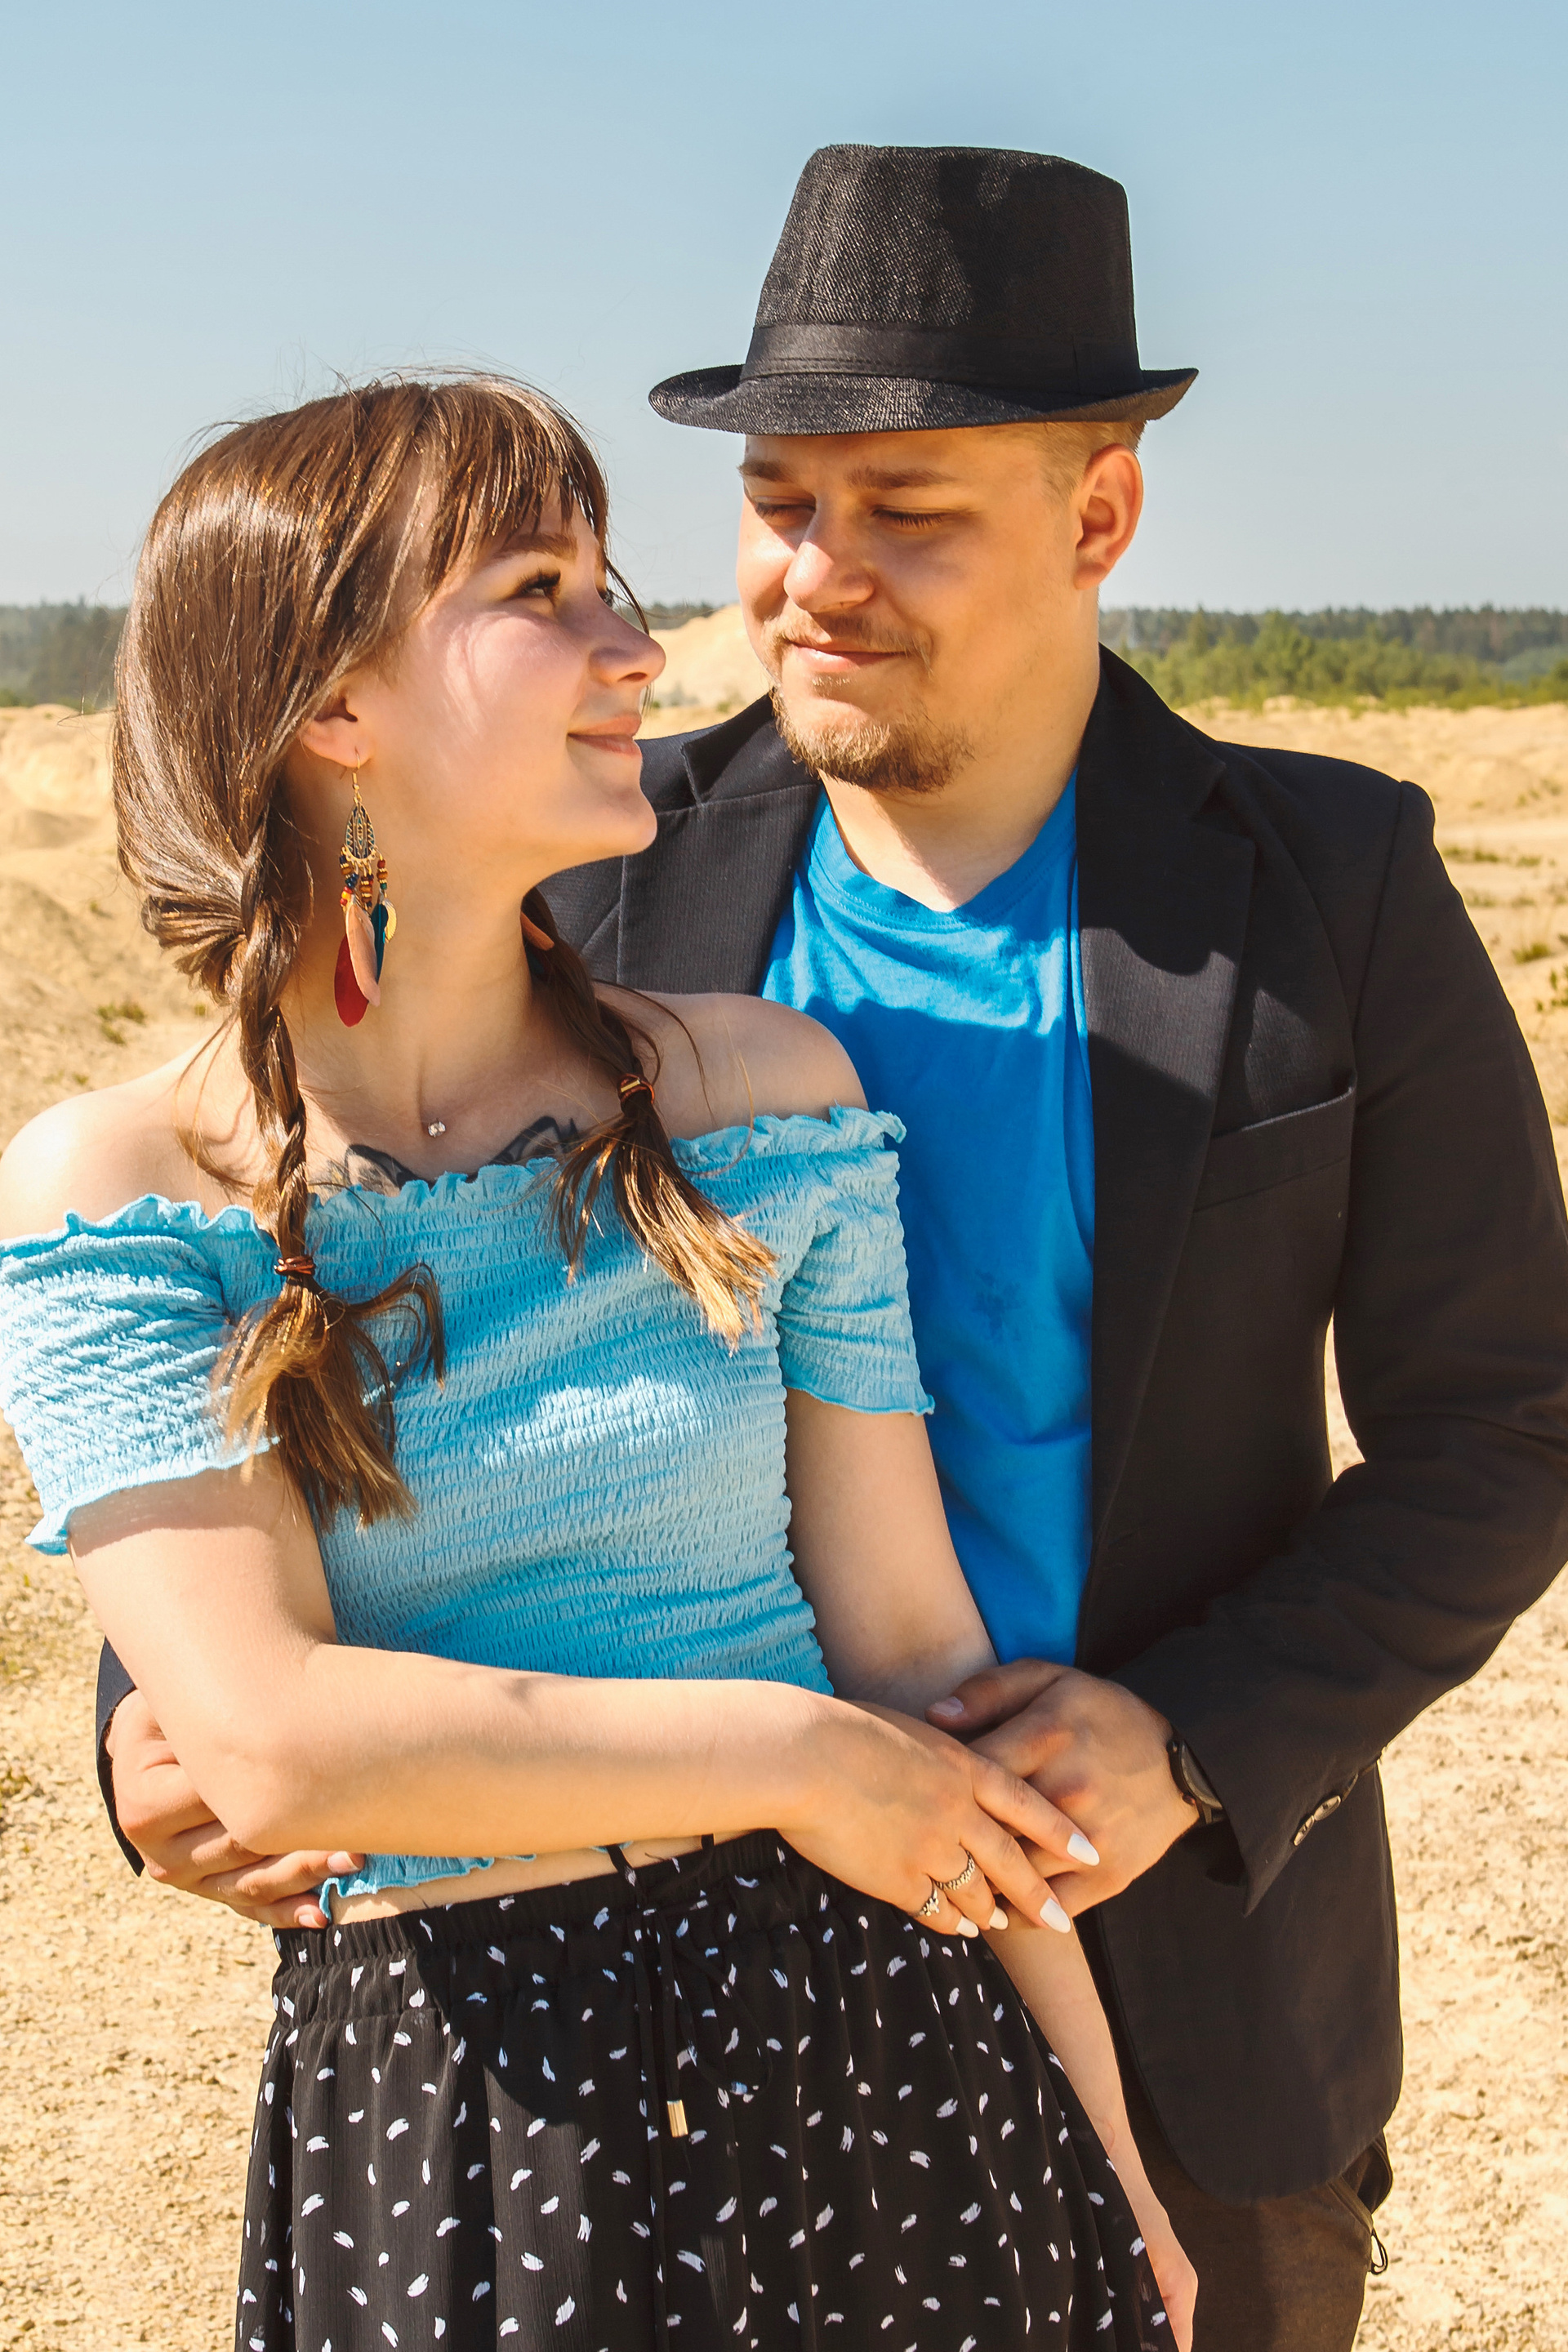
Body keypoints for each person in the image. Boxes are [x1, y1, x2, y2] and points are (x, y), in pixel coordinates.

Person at [101, 146, 1568, 2347]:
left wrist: (1186, 1739)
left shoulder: (1333, 883)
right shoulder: (582, 864)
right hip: (633, 2015)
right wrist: (156, 1720)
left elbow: (1510, 1426)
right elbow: (284, 1263)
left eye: (909, 512)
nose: (813, 575)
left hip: (1176, 1970)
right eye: (780, 501)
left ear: (1100, 517)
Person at [0, 376, 1190, 2350]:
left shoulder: (769, 1099)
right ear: (332, 704)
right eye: (540, 591)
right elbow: (271, 1736)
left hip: (886, 2058)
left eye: (611, 583)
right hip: (466, 2126)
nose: (638, 647)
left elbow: (918, 1666)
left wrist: (1108, 2149)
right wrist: (793, 1755)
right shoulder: (116, 1194)